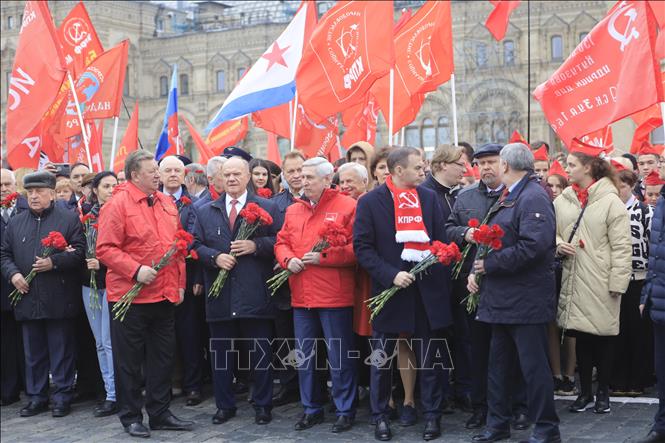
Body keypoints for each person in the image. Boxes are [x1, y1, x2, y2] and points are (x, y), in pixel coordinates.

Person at [354, 147, 452, 441]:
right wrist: (390, 274)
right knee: (382, 359)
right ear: (398, 171)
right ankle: (380, 415)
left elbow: (439, 240)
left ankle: (432, 414)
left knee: (430, 358)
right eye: (418, 168)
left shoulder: (429, 198)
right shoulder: (371, 202)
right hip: (391, 289)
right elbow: (363, 247)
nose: (424, 172)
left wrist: (435, 259)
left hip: (425, 291)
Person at [468, 143, 561, 443]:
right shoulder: (512, 195)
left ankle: (547, 428)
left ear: (506, 165)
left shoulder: (532, 196)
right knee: (498, 367)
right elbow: (495, 239)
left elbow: (534, 246)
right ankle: (497, 425)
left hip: (525, 299)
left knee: (533, 368)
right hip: (503, 299)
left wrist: (490, 265)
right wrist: (479, 269)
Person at [97, 150, 192, 438]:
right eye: (152, 170)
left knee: (162, 358)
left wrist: (179, 283)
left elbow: (177, 247)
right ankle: (131, 417)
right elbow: (105, 249)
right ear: (135, 174)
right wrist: (136, 271)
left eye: (158, 169)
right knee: (129, 361)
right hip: (129, 297)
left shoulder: (166, 202)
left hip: (163, 294)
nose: (158, 174)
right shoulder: (117, 204)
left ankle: (160, 412)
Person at [193, 156, 281, 426]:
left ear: (247, 177)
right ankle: (224, 405)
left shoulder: (267, 207)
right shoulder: (206, 210)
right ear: (220, 178)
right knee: (222, 356)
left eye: (236, 174)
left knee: (260, 355)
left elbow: (281, 239)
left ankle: (263, 405)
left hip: (255, 293)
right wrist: (214, 258)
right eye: (226, 174)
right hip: (220, 296)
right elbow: (194, 244)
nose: (231, 179)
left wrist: (257, 246)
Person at [446, 143, 528, 431]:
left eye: (492, 162)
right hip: (472, 286)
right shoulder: (465, 196)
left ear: (504, 163)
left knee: (512, 350)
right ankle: (481, 406)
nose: (487, 168)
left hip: (507, 285)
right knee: (478, 349)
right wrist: (465, 233)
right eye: (481, 163)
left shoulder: (516, 196)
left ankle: (519, 406)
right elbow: (448, 229)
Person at [275, 157, 358, 434]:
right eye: (299, 175)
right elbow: (282, 242)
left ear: (326, 179)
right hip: (302, 294)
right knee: (306, 357)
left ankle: (345, 409)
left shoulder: (347, 206)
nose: (302, 179)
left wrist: (324, 257)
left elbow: (357, 249)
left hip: (334, 295)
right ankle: (311, 408)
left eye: (309, 176)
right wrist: (287, 260)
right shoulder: (293, 210)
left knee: (339, 357)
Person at [1, 171, 85, 418]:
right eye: (30, 192)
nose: (34, 196)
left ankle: (61, 397)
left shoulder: (68, 219)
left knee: (61, 351)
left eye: (39, 192)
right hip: (27, 297)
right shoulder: (17, 221)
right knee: (33, 353)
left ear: (52, 193)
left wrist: (55, 262)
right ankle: (36, 397)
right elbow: (4, 254)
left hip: (58, 297)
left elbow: (80, 252)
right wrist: (13, 274)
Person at [555, 147, 632, 415]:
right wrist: (558, 244)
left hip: (601, 280)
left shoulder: (611, 201)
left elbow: (622, 247)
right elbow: (550, 233)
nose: (567, 169)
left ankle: (603, 392)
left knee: (604, 339)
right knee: (581, 339)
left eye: (572, 164)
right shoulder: (562, 200)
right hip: (574, 278)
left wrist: (617, 284)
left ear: (588, 168)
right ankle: (585, 391)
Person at [422, 144, 470, 415]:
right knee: (439, 338)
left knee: (463, 335)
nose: (465, 170)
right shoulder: (426, 193)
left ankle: (463, 388)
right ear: (442, 166)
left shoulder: (457, 194)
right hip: (435, 277)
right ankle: (440, 393)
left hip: (458, 277)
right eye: (459, 165)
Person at [159, 156, 205, 407]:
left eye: (178, 170)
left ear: (185, 175)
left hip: (186, 276)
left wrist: (197, 277)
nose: (173, 174)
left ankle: (193, 386)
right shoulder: (152, 200)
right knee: (161, 336)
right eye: (168, 170)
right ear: (160, 174)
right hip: (157, 277)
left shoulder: (195, 204)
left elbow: (197, 241)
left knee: (189, 334)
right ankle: (163, 385)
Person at [611, 169, 653, 396]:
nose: (619, 191)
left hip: (639, 279)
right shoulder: (610, 211)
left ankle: (638, 380)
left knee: (638, 332)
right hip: (616, 279)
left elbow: (652, 246)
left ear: (632, 187)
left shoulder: (645, 212)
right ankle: (618, 379)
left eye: (623, 186)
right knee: (618, 332)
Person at [81, 171, 119, 417]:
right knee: (100, 342)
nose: (111, 189)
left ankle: (117, 393)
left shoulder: (121, 213)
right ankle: (109, 391)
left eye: (115, 185)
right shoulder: (86, 218)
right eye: (106, 186)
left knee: (110, 341)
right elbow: (78, 248)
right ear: (95, 190)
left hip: (114, 283)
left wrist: (102, 264)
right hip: (90, 285)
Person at [270, 150, 306, 407]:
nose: (296, 176)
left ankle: (316, 383)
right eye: (290, 171)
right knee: (285, 335)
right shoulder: (274, 204)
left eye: (300, 171)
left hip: (311, 279)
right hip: (282, 281)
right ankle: (289, 382)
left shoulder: (319, 200)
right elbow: (272, 238)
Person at [638, 154, 665, 443]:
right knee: (662, 371)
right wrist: (647, 292)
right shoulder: (661, 203)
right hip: (659, 300)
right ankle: (662, 424)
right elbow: (654, 254)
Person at [0, 168, 27, 407]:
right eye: (0, 185)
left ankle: (30, 385)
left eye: (7, 184)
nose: (4, 189)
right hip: (3, 285)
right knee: (6, 342)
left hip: (27, 285)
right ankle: (8, 390)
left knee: (26, 339)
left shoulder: (25, 209)